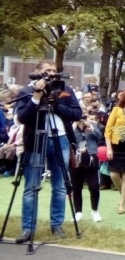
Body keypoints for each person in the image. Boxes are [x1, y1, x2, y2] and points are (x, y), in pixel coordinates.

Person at [13, 60, 83, 243]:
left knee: (60, 186)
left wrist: (57, 105)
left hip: (61, 139)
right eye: (47, 70)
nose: (52, 73)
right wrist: (36, 97)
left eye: (54, 70)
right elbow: (22, 117)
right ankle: (28, 228)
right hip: (36, 139)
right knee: (31, 186)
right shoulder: (26, 91)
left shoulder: (65, 89)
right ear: (37, 72)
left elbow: (76, 113)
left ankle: (57, 224)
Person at [71, 112, 104, 223]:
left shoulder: (92, 125)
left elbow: (100, 136)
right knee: (76, 187)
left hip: (91, 158)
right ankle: (78, 212)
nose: (82, 120)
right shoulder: (72, 126)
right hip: (76, 159)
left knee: (94, 187)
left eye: (84, 117)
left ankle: (95, 211)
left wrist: (90, 127)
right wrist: (74, 126)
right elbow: (68, 139)